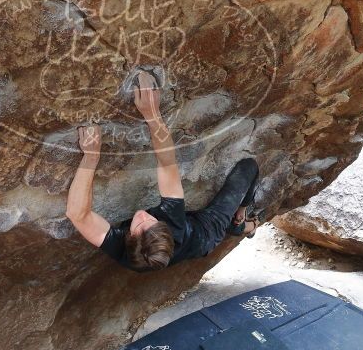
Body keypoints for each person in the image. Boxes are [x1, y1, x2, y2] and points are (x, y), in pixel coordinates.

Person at [65, 71, 262, 272]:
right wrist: (152, 114)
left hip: (181, 237)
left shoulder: (124, 250)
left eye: (140, 224)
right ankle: (242, 222)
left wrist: (91, 158)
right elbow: (167, 162)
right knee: (249, 167)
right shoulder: (171, 221)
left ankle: (239, 221)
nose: (142, 215)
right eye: (151, 221)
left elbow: (77, 214)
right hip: (204, 234)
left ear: (128, 238)